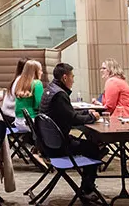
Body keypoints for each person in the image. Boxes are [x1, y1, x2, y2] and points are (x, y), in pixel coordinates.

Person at [39, 63, 102, 201]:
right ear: (65, 77)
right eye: (72, 77)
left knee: (93, 147)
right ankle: (87, 189)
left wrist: (85, 112)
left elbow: (67, 113)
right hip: (58, 146)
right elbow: (73, 119)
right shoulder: (60, 95)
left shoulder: (50, 89)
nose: (73, 80)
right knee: (93, 149)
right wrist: (92, 117)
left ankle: (89, 182)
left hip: (48, 143)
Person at [15, 60, 44, 125]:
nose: (42, 73)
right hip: (31, 121)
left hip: (18, 122)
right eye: (40, 70)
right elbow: (39, 105)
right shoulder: (37, 83)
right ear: (35, 72)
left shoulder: (19, 82)